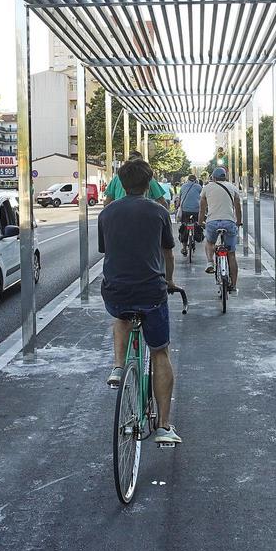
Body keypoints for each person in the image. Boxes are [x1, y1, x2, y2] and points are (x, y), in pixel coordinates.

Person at [98, 158, 181, 445]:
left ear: (121, 183)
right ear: (150, 183)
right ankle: (163, 425)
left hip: (115, 291)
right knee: (160, 353)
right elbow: (168, 254)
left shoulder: (107, 214)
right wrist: (168, 281)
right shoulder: (158, 212)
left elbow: (107, 250)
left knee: (120, 317)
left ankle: (118, 366)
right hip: (151, 292)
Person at [201, 166, 241, 291]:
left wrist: (200, 221)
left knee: (209, 242)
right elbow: (238, 208)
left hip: (212, 222)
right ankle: (233, 286)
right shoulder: (232, 187)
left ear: (213, 177)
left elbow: (202, 208)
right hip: (229, 223)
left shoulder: (207, 188)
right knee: (231, 254)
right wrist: (238, 222)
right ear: (225, 177)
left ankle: (210, 262)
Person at [103, 152, 167, 206]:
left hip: (119, 214)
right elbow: (162, 202)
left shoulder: (117, 178)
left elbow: (107, 201)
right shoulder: (149, 178)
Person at [175, 174, 204, 255]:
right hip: (196, 210)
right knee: (197, 223)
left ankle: (184, 248)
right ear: (195, 180)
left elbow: (180, 198)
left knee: (184, 227)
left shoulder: (183, 186)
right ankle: (197, 231)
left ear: (188, 179)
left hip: (185, 210)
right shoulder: (199, 187)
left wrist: (177, 207)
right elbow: (203, 198)